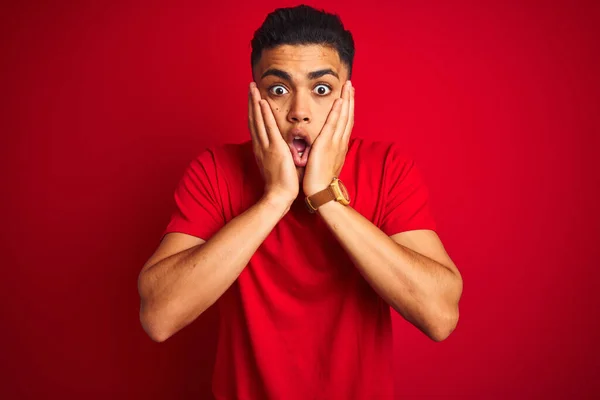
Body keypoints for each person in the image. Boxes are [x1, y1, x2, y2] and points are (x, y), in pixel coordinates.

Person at [138, 4, 463, 399]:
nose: (299, 113)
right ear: (255, 96)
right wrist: (276, 198)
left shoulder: (387, 168)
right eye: (278, 89)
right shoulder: (215, 171)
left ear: (347, 98)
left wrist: (324, 195)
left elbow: (440, 316)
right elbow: (158, 316)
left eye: (321, 89)